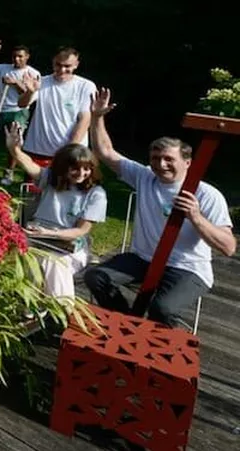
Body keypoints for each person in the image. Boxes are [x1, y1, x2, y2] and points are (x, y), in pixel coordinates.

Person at [82, 90, 235, 330]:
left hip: (187, 267)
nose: (160, 165)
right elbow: (105, 152)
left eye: (168, 159)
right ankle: (126, 326)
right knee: (95, 277)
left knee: (162, 309)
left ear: (187, 162)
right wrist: (97, 117)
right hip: (143, 259)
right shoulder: (145, 177)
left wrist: (196, 217)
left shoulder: (207, 195)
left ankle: (160, 353)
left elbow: (228, 247)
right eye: (155, 158)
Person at [6, 127, 107, 301]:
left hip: (69, 248)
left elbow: (81, 231)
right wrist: (14, 149)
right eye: (75, 169)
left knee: (51, 263)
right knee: (32, 258)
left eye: (86, 169)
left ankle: (60, 308)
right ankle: (41, 308)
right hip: (36, 238)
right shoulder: (51, 180)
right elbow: (28, 164)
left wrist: (48, 233)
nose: (81, 174)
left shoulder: (96, 194)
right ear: (63, 168)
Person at [15, 47, 95, 166]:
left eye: (67, 66)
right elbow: (22, 104)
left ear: (76, 65)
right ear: (53, 62)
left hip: (72, 152)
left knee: (68, 185)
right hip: (38, 150)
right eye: (58, 65)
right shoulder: (41, 82)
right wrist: (30, 92)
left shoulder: (85, 86)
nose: (62, 70)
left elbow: (84, 120)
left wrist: (69, 151)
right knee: (33, 185)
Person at [0, 39, 42, 184]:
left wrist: (15, 83)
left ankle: (9, 173)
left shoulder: (33, 73)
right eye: (14, 56)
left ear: (27, 56)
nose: (17, 59)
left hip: (18, 111)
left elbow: (29, 93)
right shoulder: (3, 67)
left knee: (14, 144)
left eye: (20, 56)